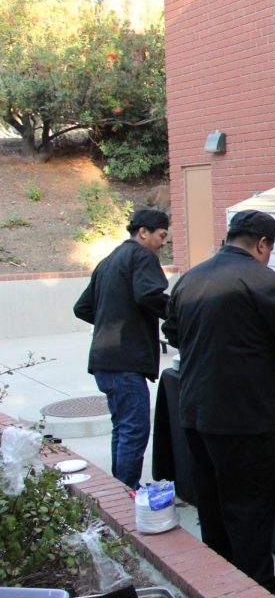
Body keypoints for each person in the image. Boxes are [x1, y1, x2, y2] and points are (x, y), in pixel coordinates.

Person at [162, 210, 275, 598]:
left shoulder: (190, 278)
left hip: (194, 408)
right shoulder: (265, 280)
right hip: (242, 414)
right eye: (270, 248)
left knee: (214, 497)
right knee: (249, 502)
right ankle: (258, 584)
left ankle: (220, 573)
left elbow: (173, 334)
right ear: (262, 244)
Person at [72, 208, 171, 489]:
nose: (163, 243)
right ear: (143, 232)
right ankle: (128, 494)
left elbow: (82, 308)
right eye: (162, 236)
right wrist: (183, 314)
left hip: (104, 361)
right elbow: (150, 295)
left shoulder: (108, 261)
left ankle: (119, 490)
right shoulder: (142, 255)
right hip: (125, 362)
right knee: (135, 429)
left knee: (123, 428)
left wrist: (113, 319)